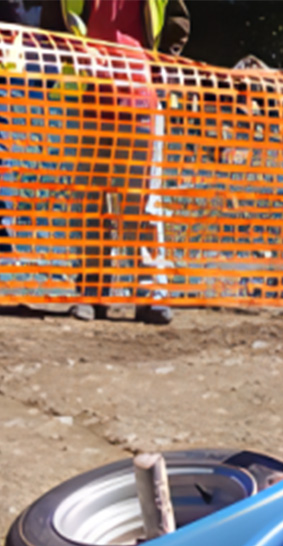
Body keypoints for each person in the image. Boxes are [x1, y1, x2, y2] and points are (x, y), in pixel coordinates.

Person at [8, 0, 189, 323]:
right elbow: (51, 33)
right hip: (89, 98)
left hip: (141, 96)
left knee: (143, 200)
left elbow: (178, 20)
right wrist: (74, 58)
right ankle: (92, 291)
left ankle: (149, 293)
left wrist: (158, 65)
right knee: (91, 201)